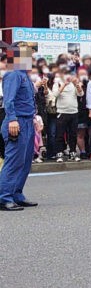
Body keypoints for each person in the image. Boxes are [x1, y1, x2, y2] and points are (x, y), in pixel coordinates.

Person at [0, 43, 39, 211]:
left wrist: (35, 117)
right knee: (14, 161)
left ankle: (16, 194)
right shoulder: (14, 74)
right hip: (17, 122)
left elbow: (29, 100)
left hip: (27, 121)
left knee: (24, 162)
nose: (30, 57)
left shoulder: (24, 75)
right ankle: (3, 197)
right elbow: (8, 100)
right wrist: (12, 120)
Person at [51, 70, 82, 162]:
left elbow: (81, 94)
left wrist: (77, 85)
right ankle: (59, 153)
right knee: (59, 134)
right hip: (62, 112)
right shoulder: (57, 83)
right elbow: (55, 94)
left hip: (73, 112)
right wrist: (64, 84)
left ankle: (72, 152)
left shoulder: (74, 84)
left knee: (73, 134)